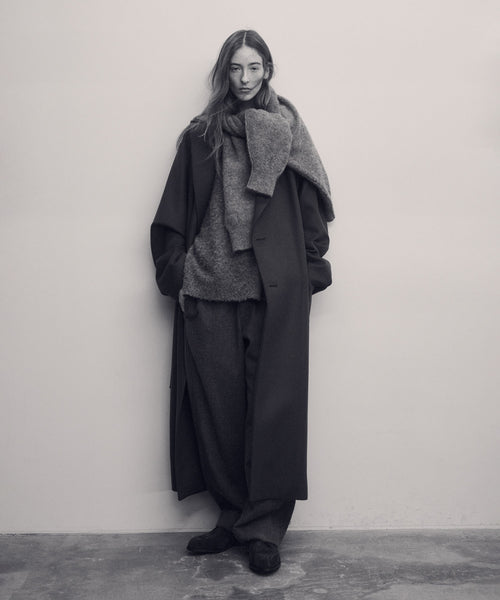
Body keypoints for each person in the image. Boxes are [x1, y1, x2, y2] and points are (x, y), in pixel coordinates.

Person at [150, 29, 334, 575]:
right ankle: (233, 517)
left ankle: (264, 528)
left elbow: (311, 214)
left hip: (271, 292)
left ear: (268, 69)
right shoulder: (200, 135)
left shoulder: (288, 132)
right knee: (218, 414)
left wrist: (307, 273)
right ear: (224, 73)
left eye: (254, 67)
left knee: (272, 414)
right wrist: (180, 273)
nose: (245, 78)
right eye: (235, 68)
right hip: (208, 289)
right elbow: (172, 212)